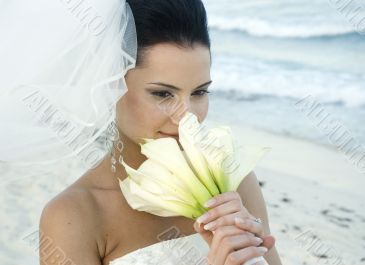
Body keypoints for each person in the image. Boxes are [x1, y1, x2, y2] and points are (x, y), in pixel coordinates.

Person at [39, 0, 282, 264]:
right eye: (163, 94)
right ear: (109, 84)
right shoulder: (74, 216)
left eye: (199, 92)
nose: (186, 116)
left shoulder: (233, 179)